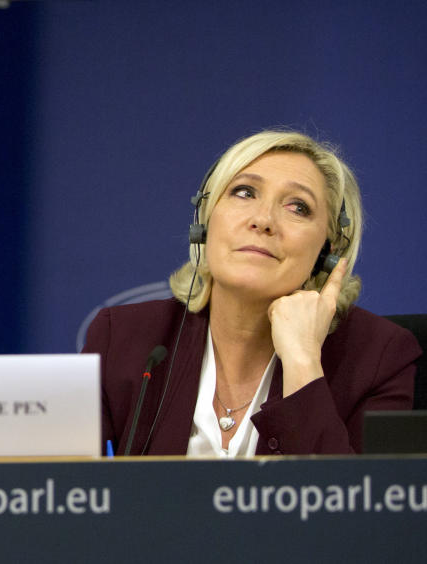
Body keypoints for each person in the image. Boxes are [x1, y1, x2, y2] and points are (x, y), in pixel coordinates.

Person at [83, 130, 421, 457]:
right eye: (244, 193)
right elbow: (60, 494)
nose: (263, 220)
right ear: (204, 222)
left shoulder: (378, 357)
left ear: (327, 252)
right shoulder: (124, 338)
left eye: (298, 207)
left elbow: (356, 509)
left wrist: (303, 363)